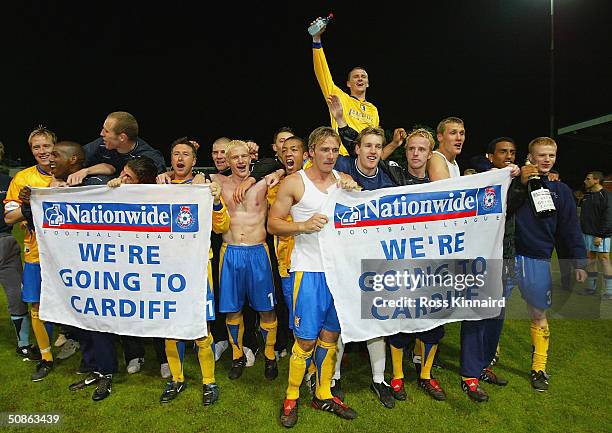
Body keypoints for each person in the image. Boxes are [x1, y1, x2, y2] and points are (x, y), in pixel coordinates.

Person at [269, 126, 360, 427]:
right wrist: (302, 226)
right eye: (324, 150)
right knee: (305, 341)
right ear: (311, 153)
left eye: (334, 150)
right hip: (307, 271)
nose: (330, 155)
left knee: (330, 338)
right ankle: (291, 396)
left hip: (339, 273)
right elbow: (273, 224)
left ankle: (322, 394)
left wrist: (353, 188)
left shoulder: (344, 183)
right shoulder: (295, 183)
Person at [20, 140, 118, 400]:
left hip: (97, 268)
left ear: (74, 160)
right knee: (78, 319)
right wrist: (28, 205)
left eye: (56, 155)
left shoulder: (93, 184)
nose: (50, 159)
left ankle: (106, 373)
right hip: (71, 271)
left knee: (98, 322)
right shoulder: (52, 188)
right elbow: (40, 226)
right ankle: (92, 367)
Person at [456, 137, 532, 402]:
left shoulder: (516, 180)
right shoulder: (485, 181)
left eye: (512, 152)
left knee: (496, 317)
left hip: (507, 258)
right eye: (503, 152)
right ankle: (469, 375)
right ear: (491, 156)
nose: (509, 156)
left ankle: (483, 365)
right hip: (483, 258)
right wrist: (517, 183)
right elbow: (503, 205)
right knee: (477, 315)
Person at [156, 138, 229, 405]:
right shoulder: (159, 185)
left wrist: (217, 200)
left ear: (194, 160)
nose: (180, 158)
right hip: (167, 267)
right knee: (170, 325)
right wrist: (119, 185)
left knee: (200, 326)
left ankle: (209, 381)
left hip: (198, 267)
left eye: (185, 154)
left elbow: (221, 227)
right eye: (176, 153)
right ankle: (176, 379)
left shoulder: (204, 187)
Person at [514, 137, 587, 391]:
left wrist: (578, 262)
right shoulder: (516, 183)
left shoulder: (561, 191)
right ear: (530, 157)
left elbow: (570, 229)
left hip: (538, 257)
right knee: (495, 311)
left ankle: (539, 367)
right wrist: (519, 180)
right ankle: (490, 355)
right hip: (507, 255)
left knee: (538, 313)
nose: (546, 160)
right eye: (541, 155)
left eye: (551, 156)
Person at [211, 140, 279, 381]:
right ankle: (237, 355)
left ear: (251, 157)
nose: (240, 161)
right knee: (232, 309)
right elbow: (196, 180)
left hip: (258, 251)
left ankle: (270, 356)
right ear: (226, 162)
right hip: (230, 252)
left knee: (267, 309)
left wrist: (277, 172)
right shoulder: (218, 182)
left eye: (243, 156)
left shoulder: (265, 180)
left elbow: (278, 163)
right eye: (234, 158)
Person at [4, 126, 57, 381]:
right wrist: (28, 207)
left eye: (46, 146)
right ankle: (46, 357)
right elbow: (9, 216)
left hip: (68, 255)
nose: (42, 151)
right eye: (36, 147)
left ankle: (74, 342)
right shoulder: (23, 179)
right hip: (36, 253)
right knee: (36, 304)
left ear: (54, 146)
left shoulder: (70, 174)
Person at [310, 17, 379, 156]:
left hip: (363, 161)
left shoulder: (373, 110)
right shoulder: (339, 96)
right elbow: (322, 72)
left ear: (368, 83)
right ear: (348, 84)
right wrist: (316, 40)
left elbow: (375, 139)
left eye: (363, 76)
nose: (360, 78)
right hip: (341, 157)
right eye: (355, 76)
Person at [0, 140, 40, 361]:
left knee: (17, 295)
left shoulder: (8, 181)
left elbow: (12, 213)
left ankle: (24, 343)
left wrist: (24, 219)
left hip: (6, 242)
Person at [66, 111, 166, 185]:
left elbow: (164, 179)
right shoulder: (102, 144)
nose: (101, 134)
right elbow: (73, 158)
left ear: (122, 137)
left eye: (106, 131)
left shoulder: (148, 157)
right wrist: (58, 178)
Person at [579, 171, 612, 299]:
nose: (585, 181)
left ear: (596, 180)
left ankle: (609, 291)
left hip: (600, 234)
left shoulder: (606, 196)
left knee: (604, 259)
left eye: (588, 179)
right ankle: (590, 288)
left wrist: (600, 235)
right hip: (586, 233)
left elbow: (608, 217)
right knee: (590, 259)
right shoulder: (587, 195)